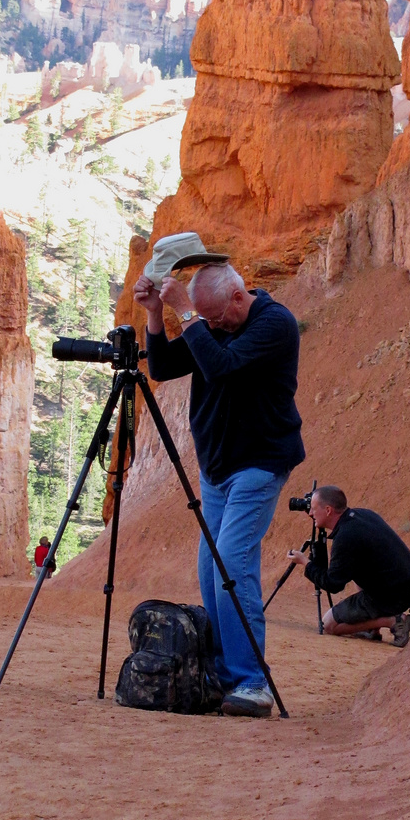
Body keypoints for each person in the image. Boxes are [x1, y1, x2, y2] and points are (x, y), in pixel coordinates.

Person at [133, 233, 305, 718]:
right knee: (210, 569)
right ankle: (228, 678)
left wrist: (189, 315)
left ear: (237, 295)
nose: (214, 325)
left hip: (260, 462)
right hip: (216, 467)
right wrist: (154, 314)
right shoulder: (214, 322)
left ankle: (254, 683)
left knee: (232, 559)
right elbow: (164, 367)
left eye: (217, 316)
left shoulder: (274, 324)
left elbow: (223, 368)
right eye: (205, 318)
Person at [287, 486, 410, 647]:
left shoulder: (345, 537)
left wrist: (305, 563)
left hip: (390, 596)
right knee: (359, 566)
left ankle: (393, 620)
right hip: (406, 586)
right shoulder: (363, 515)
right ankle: (372, 628)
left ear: (328, 510)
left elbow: (333, 584)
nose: (310, 513)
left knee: (329, 625)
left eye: (313, 509)